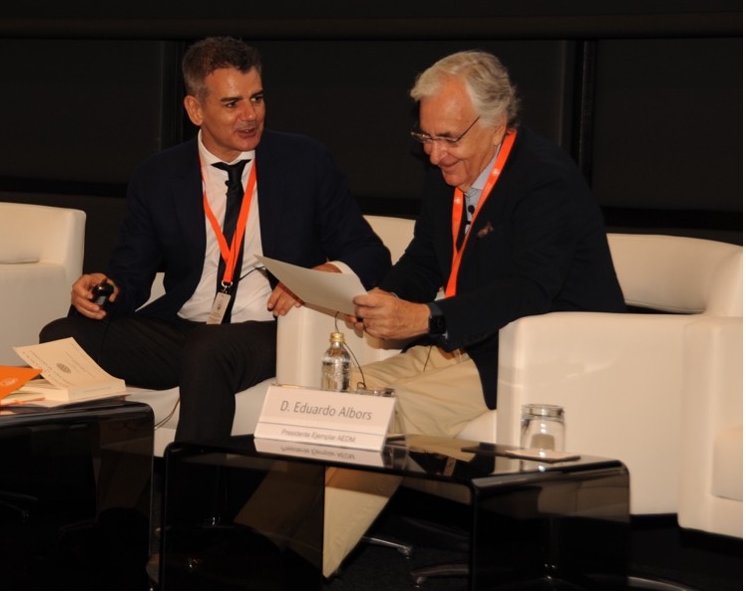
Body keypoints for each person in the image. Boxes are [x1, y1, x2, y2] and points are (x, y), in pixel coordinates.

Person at [40, 36, 391, 441]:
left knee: (208, 348)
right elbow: (130, 276)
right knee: (60, 337)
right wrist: (103, 290)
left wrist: (318, 277)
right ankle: (94, 481)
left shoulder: (304, 162)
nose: (250, 115)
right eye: (231, 104)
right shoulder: (159, 176)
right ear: (195, 109)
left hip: (269, 330)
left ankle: (194, 480)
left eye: (257, 99)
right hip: (184, 329)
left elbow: (370, 254)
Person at [348, 49, 626, 436]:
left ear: (497, 126)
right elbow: (426, 258)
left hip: (546, 355)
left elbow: (529, 290)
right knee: (342, 393)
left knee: (384, 413)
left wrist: (426, 317)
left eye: (449, 138)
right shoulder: (447, 172)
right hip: (473, 344)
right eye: (426, 136)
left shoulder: (546, 181)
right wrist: (384, 298)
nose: (434, 154)